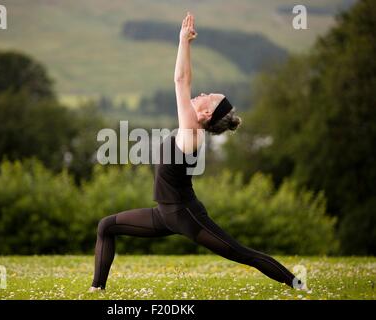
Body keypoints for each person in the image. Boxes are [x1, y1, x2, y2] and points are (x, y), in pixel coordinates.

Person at [89, 12, 305, 293]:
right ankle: (97, 290)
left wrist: (184, 42)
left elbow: (181, 80)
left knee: (242, 254)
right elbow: (183, 84)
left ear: (206, 113)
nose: (202, 93)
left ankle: (298, 285)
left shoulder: (191, 132)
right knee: (106, 226)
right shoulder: (190, 130)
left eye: (208, 97)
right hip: (164, 213)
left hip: (186, 217)